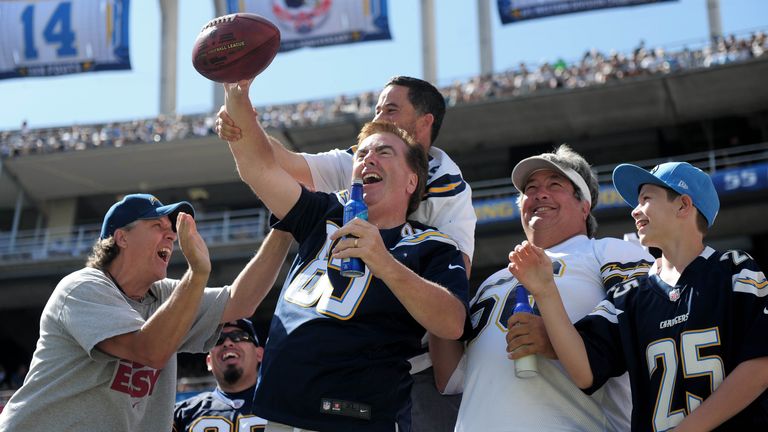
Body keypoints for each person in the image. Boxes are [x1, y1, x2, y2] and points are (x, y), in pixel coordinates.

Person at [217, 75, 474, 431]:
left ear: (413, 179)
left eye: (383, 152)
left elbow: (452, 321)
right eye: (363, 153)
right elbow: (259, 167)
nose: (368, 159)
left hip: (355, 414)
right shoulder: (323, 211)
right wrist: (237, 96)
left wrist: (384, 262)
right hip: (280, 411)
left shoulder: (432, 242)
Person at [509, 161, 768, 431]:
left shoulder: (734, 270)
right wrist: (547, 292)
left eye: (645, 199)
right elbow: (585, 371)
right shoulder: (631, 295)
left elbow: (761, 366)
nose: (634, 211)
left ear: (683, 205)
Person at [0, 194, 291, 431]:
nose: (171, 236)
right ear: (121, 238)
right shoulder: (82, 287)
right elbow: (148, 350)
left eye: (171, 230)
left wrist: (286, 223)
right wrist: (197, 273)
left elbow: (241, 302)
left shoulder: (163, 293)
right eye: (157, 226)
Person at [431, 144, 654, 431]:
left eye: (554, 184)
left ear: (584, 205)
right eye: (530, 188)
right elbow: (450, 378)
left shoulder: (610, 252)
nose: (539, 193)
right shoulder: (490, 282)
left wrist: (556, 341)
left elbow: (645, 335)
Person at [173, 319, 267, 431]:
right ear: (209, 362)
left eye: (239, 336)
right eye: (217, 339)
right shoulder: (180, 414)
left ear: (259, 354)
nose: (227, 343)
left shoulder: (285, 407)